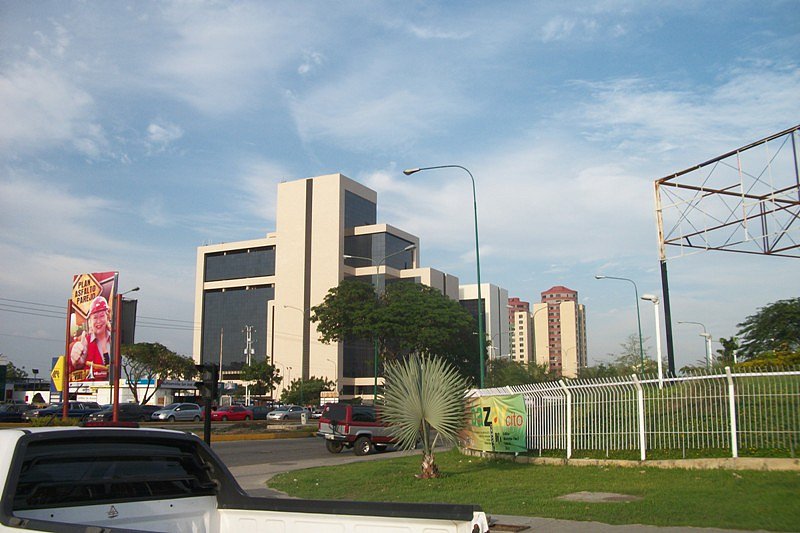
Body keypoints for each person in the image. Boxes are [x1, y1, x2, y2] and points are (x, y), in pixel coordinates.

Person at [70, 296, 112, 376]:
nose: (99, 321)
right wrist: (75, 359)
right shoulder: (85, 341)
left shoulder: (114, 339)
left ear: (107, 317)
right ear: (90, 321)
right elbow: (72, 353)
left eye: (102, 316)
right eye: (95, 317)